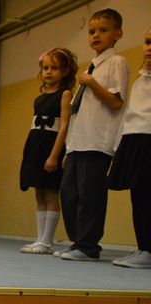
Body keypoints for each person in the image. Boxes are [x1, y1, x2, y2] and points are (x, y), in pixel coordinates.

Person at [57, 8, 128, 261]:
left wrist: (92, 83)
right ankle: (77, 241)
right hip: (79, 141)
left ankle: (88, 245)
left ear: (117, 34)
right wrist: (69, 147)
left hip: (97, 141)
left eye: (103, 30)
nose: (95, 35)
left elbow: (116, 102)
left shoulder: (116, 62)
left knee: (90, 195)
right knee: (69, 193)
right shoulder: (92, 67)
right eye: (91, 31)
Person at [18, 48, 77, 254]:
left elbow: (64, 126)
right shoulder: (39, 99)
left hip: (51, 147)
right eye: (45, 68)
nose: (48, 72)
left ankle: (47, 241)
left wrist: (54, 155)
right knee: (39, 194)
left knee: (51, 193)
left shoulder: (65, 94)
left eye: (54, 68)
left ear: (65, 71)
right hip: (36, 146)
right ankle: (39, 239)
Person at [108, 26, 151, 269]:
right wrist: (120, 143)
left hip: (149, 137)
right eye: (147, 42)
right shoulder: (140, 79)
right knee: (139, 195)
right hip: (136, 138)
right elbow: (130, 113)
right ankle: (143, 246)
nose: (149, 48)